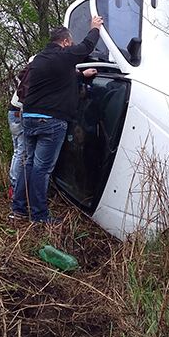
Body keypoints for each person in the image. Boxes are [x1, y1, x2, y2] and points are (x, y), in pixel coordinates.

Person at [9, 17, 103, 224]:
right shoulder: (64, 54)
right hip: (50, 122)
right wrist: (95, 28)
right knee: (41, 169)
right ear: (66, 43)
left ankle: (19, 209)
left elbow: (58, 79)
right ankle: (40, 216)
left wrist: (80, 75)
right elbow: (87, 46)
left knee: (29, 164)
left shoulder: (40, 58)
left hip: (30, 118)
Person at [7, 55, 36, 200]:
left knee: (18, 151)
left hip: (15, 111)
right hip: (20, 112)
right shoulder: (40, 63)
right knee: (22, 152)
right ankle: (15, 188)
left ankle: (14, 186)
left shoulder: (33, 62)